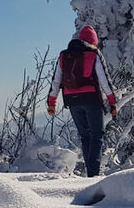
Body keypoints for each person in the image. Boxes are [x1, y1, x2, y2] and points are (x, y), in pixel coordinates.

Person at [47, 25, 117, 177]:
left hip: (72, 101)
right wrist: (112, 101)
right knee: (97, 135)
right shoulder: (93, 54)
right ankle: (93, 174)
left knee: (85, 136)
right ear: (93, 42)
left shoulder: (64, 56)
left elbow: (56, 81)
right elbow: (104, 80)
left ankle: (90, 172)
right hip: (91, 99)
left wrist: (51, 102)